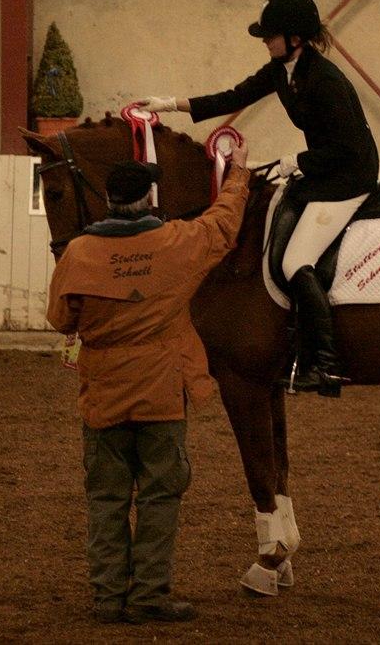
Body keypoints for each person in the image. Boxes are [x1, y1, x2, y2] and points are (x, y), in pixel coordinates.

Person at [46, 142, 250, 624]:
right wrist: (237, 177)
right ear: (149, 198)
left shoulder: (78, 253)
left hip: (104, 393)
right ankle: (149, 595)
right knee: (160, 496)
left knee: (106, 497)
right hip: (161, 391)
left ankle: (107, 597)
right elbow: (222, 226)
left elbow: (60, 321)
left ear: (109, 202)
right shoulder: (175, 243)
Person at [139, 0, 380, 397]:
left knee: (297, 260)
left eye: (271, 36)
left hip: (349, 177)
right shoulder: (280, 70)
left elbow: (350, 148)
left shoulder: (327, 81)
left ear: (296, 38)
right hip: (321, 173)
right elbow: (233, 97)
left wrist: (297, 161)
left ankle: (325, 364)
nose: (265, 41)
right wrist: (168, 104)